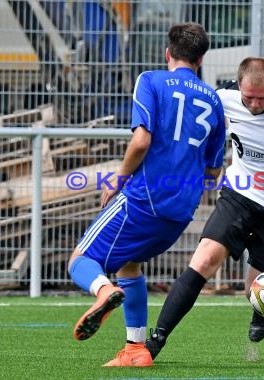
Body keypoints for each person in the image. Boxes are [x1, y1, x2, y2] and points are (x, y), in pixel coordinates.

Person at [145, 57, 264, 359]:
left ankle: (262, 310)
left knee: (255, 288)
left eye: (262, 98)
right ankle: (156, 340)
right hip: (239, 192)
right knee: (205, 259)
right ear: (239, 86)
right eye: (248, 97)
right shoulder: (223, 98)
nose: (254, 104)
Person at [67, 22, 225, 368]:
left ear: (167, 53)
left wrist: (119, 180)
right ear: (201, 59)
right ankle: (136, 350)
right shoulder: (214, 99)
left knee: (79, 260)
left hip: (144, 197)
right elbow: (214, 169)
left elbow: (141, 141)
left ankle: (104, 292)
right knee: (129, 264)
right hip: (181, 210)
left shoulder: (151, 80)